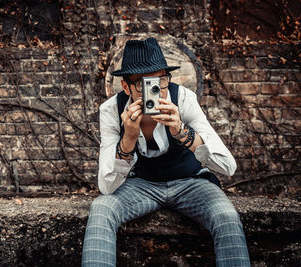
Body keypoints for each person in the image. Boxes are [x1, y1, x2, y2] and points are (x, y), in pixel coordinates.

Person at [81, 37, 250, 267]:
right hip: (141, 185)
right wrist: (128, 139)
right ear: (125, 86)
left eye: (159, 80)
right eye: (141, 82)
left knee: (226, 216)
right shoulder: (111, 110)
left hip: (190, 182)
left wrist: (182, 131)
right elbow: (107, 186)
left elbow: (228, 167)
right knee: (101, 208)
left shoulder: (183, 98)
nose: (154, 89)